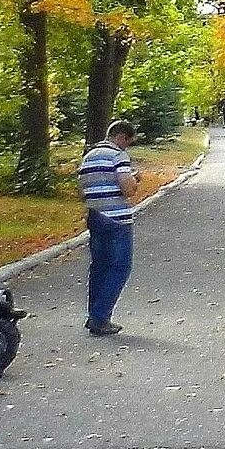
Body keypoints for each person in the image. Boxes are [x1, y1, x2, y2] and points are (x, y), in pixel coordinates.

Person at [78, 119, 145, 337]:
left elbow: (82, 191)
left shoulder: (88, 157)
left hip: (95, 215)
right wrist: (135, 180)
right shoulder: (118, 155)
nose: (127, 146)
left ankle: (94, 313)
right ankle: (100, 318)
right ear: (121, 137)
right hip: (116, 219)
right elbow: (127, 189)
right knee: (120, 267)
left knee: (99, 267)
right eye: (128, 142)